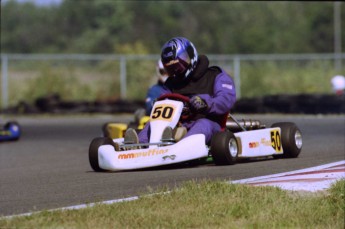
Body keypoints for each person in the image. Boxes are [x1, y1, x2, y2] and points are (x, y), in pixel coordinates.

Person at [125, 37, 236, 145]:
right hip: (178, 125)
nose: (176, 71)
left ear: (191, 56)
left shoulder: (215, 76)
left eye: (179, 65)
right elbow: (164, 101)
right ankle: (139, 146)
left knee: (203, 124)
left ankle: (183, 147)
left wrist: (205, 103)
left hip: (209, 123)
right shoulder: (171, 83)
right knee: (152, 124)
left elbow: (226, 99)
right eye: (171, 68)